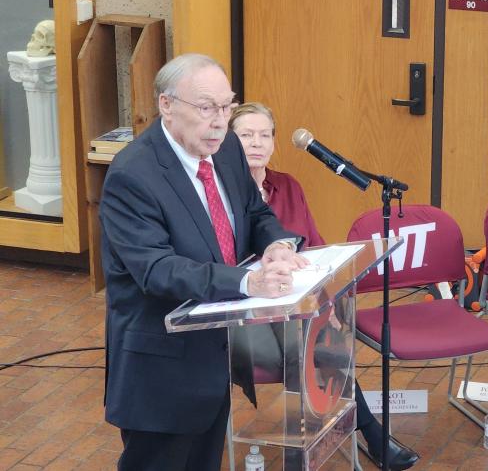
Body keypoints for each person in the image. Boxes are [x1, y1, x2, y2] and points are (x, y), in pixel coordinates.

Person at [100, 54, 310, 470]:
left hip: (216, 354)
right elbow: (157, 270)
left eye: (227, 105)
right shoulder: (133, 176)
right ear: (166, 105)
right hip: (162, 369)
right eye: (206, 107)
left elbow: (255, 213)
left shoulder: (226, 147)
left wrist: (278, 246)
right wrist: (249, 283)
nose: (220, 120)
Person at [228, 103, 419, 470]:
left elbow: (316, 248)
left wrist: (327, 304)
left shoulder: (287, 186)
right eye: (246, 135)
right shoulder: (222, 195)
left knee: (313, 339)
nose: (256, 143)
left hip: (301, 313)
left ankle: (308, 450)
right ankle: (368, 436)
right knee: (311, 345)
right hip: (247, 319)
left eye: (264, 134)